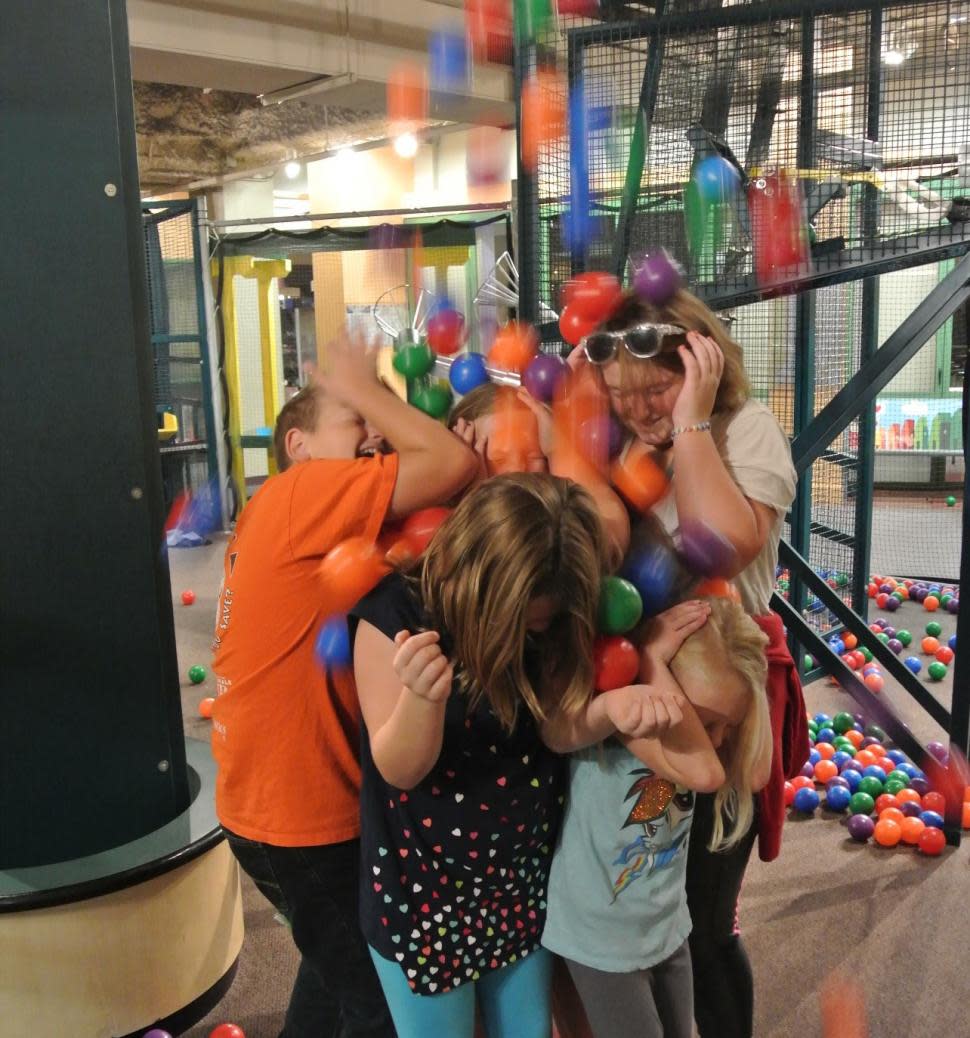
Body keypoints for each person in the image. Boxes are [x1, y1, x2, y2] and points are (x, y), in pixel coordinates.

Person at [210, 330, 478, 1038]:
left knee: (330, 965)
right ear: (298, 445)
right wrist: (363, 384)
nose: (374, 434)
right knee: (376, 998)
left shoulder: (295, 516)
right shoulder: (304, 493)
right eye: (355, 420)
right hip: (297, 815)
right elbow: (452, 464)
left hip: (269, 803)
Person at [349, 473, 680, 1038]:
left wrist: (605, 712)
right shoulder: (395, 615)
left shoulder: (550, 619)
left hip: (520, 886)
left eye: (544, 622)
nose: (534, 633)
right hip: (424, 898)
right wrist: (422, 700)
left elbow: (551, 729)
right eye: (522, 621)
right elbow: (401, 769)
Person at [579, 288, 809, 1038]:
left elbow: (723, 544)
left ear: (703, 361)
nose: (641, 409)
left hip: (719, 703)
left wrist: (691, 421)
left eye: (658, 387)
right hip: (635, 688)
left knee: (705, 922)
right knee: (634, 905)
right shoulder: (620, 445)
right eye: (624, 396)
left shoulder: (747, 431)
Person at [541, 596, 772, 1038]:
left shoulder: (691, 743)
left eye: (728, 726)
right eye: (705, 724)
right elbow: (704, 772)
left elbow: (756, 772)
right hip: (601, 941)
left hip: (666, 924)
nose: (717, 741)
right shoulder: (627, 727)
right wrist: (648, 660)